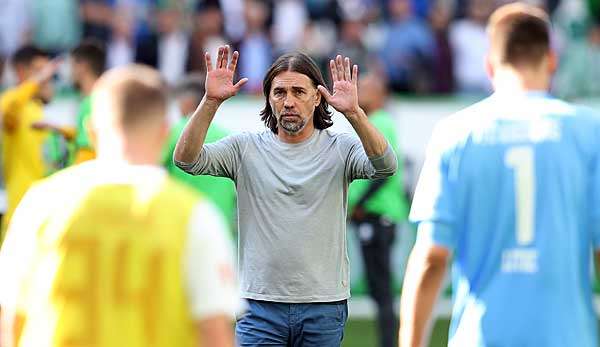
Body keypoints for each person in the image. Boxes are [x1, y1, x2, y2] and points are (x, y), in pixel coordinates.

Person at [400, 3, 600, 347]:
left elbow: (432, 257)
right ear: (551, 60)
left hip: (480, 337)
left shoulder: (455, 133)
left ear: (489, 65)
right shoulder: (589, 132)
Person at [0, 65, 239, 347]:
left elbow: (12, 323)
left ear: (91, 129)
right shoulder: (193, 216)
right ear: (165, 133)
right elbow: (214, 334)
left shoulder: (41, 204)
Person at [174, 46, 397, 346]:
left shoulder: (340, 149)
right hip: (259, 306)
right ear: (268, 98)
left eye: (298, 92)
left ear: (317, 97)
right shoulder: (245, 149)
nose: (288, 101)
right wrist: (211, 101)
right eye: (279, 93)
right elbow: (186, 159)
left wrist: (355, 113)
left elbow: (385, 165)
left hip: (324, 306)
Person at [348, 72, 409, 347]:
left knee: (382, 290)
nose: (361, 92)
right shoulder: (374, 122)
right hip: (373, 215)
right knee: (378, 289)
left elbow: (386, 170)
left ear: (381, 94)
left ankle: (390, 342)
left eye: (367, 88)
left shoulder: (382, 122)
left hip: (378, 215)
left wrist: (359, 205)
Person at [162, 73, 236, 229]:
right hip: (220, 224)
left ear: (186, 102)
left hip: (183, 224)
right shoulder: (227, 136)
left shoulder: (174, 132)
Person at [0, 45, 59, 239]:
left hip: (44, 213)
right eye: (39, 71)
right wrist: (37, 81)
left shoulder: (38, 110)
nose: (46, 78)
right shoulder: (13, 104)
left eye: (47, 72)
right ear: (21, 71)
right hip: (19, 214)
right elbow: (6, 110)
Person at [71, 39, 106, 164]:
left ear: (82, 66)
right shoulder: (104, 98)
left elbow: (87, 149)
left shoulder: (91, 103)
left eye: (72, 66)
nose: (70, 72)